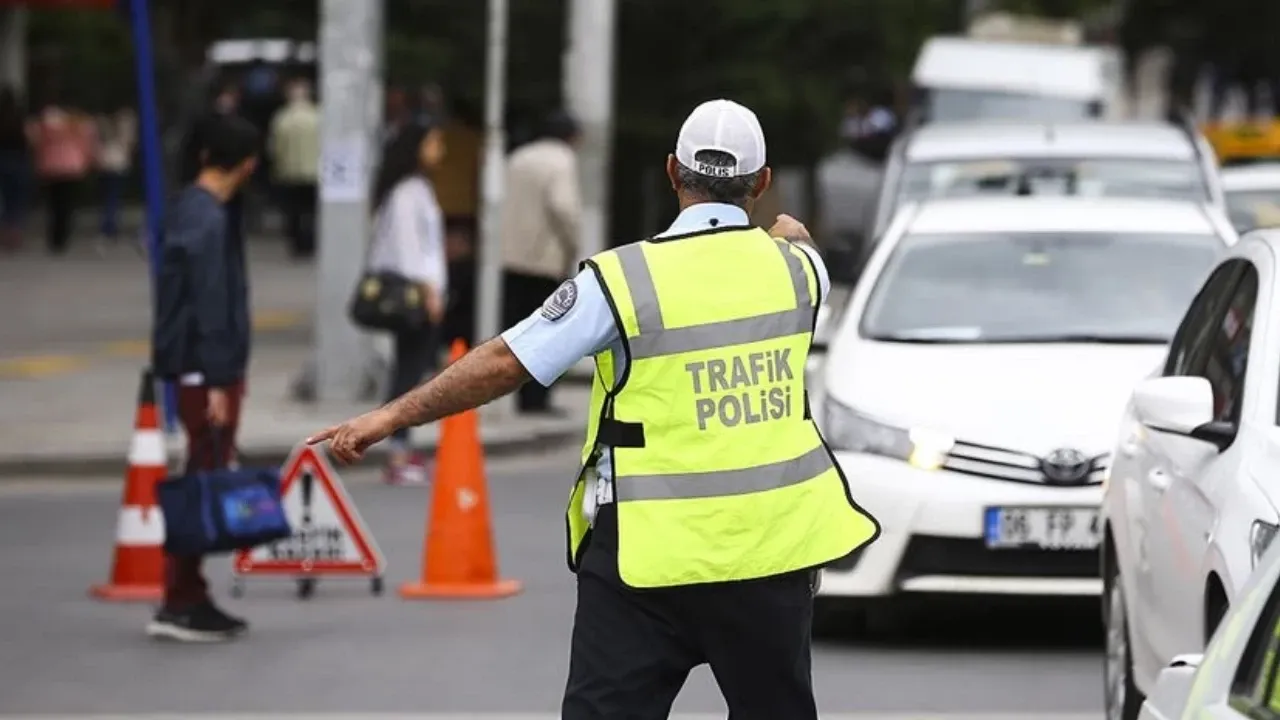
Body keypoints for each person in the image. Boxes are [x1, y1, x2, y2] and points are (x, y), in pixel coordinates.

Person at [307, 98, 881, 718]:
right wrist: (786, 232)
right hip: (769, 557)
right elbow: (794, 238)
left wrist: (389, 417)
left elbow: (507, 361)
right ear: (763, 182)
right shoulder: (800, 272)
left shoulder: (621, 280)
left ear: (671, 172)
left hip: (644, 560)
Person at [149, 114, 261, 642]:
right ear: (247, 164)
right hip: (205, 372)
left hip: (197, 368)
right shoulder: (208, 218)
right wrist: (219, 380)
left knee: (202, 472)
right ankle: (180, 599)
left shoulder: (192, 209)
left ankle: (187, 593)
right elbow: (210, 305)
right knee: (201, 479)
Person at [365, 119, 448, 485]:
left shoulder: (416, 188)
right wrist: (429, 291)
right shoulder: (407, 192)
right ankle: (397, 451)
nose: (439, 150)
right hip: (416, 295)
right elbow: (408, 250)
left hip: (423, 292)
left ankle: (402, 445)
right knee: (408, 374)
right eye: (434, 142)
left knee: (411, 370)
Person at [498, 110, 582, 415]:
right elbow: (563, 206)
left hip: (510, 256)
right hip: (544, 258)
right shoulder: (562, 160)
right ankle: (537, 400)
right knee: (548, 331)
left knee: (518, 330)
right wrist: (573, 243)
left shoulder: (518, 157)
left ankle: (520, 396)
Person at [30, 100, 95, 255]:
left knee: (54, 204)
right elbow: (86, 144)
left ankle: (54, 238)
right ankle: (63, 237)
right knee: (67, 205)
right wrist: (87, 161)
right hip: (72, 167)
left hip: (51, 167)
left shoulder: (47, 123)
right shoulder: (79, 124)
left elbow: (36, 141)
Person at [268, 78, 320, 258]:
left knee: (294, 211)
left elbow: (276, 148)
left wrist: (277, 167)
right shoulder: (318, 117)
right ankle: (310, 242)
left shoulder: (282, 118)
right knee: (311, 210)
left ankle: (297, 243)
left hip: (290, 172)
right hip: (314, 171)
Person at [94, 104, 137, 247]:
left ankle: (108, 225)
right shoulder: (124, 126)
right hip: (118, 164)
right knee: (113, 197)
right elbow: (129, 145)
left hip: (106, 163)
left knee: (108, 197)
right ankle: (110, 226)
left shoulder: (103, 126)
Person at [0, 86, 31, 252]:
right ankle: (15, 235)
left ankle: (4, 234)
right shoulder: (19, 118)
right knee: (17, 201)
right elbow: (28, 140)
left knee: (4, 200)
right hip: (18, 161)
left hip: (2, 159)